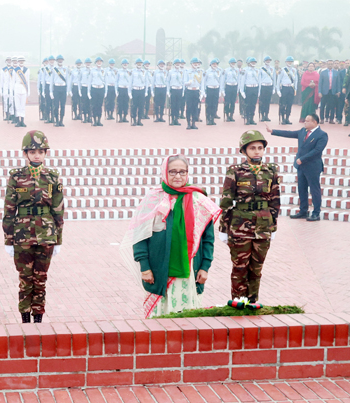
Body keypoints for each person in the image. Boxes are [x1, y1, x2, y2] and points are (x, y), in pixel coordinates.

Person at [120, 154, 220, 318]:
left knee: (188, 320)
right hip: (159, 270)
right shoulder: (153, 199)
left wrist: (205, 266)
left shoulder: (199, 200)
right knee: (160, 320)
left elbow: (208, 239)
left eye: (182, 171)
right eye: (172, 171)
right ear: (164, 172)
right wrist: (144, 267)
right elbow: (139, 236)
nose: (178, 176)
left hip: (189, 272)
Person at [3, 130, 63, 323]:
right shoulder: (16, 176)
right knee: (25, 279)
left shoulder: (52, 177)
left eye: (41, 151)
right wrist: (8, 240)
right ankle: (25, 318)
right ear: (25, 153)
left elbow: (58, 210)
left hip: (46, 235)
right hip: (22, 235)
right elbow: (9, 209)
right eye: (32, 151)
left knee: (41, 279)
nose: (37, 155)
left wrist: (59, 240)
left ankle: (38, 317)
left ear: (46, 153)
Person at [218, 130, 280, 305]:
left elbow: (275, 200)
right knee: (239, 268)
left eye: (260, 148)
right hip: (239, 226)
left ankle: (252, 302)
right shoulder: (235, 171)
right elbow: (226, 202)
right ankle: (238, 303)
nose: (257, 151)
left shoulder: (271, 171)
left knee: (256, 269)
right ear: (244, 151)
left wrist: (273, 227)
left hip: (263, 226)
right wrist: (224, 229)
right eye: (252, 148)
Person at [266, 113, 327, 221]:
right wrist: (273, 131)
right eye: (305, 120)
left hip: (312, 167)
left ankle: (316, 213)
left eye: (307, 121)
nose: (305, 122)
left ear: (315, 122)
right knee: (301, 189)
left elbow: (317, 151)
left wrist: (303, 158)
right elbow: (289, 133)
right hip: (301, 166)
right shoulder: (303, 131)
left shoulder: (322, 135)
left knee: (314, 189)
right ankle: (303, 211)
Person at [276, 56, 299, 125]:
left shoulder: (294, 70)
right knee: (283, 104)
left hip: (291, 88)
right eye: (288, 61)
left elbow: (296, 80)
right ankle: (283, 118)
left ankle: (287, 118)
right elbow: (278, 80)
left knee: (289, 104)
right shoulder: (282, 70)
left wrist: (295, 89)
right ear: (286, 62)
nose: (290, 63)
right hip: (284, 88)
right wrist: (278, 90)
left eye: (291, 61)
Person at [318, 59, 341, 124]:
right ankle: (322, 118)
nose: (330, 65)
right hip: (324, 91)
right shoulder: (323, 72)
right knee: (322, 106)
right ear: (327, 64)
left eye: (331, 64)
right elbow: (320, 83)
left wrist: (339, 91)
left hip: (333, 91)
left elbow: (338, 83)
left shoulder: (336, 73)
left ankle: (331, 119)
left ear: (333, 64)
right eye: (329, 64)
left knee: (332, 106)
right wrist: (319, 92)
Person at [183, 58, 203, 130]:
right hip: (189, 91)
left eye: (197, 63)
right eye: (194, 63)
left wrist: (202, 92)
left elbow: (202, 83)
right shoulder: (187, 72)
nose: (196, 64)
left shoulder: (200, 72)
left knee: (195, 108)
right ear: (191, 64)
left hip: (196, 91)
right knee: (189, 108)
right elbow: (184, 82)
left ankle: (194, 123)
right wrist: (188, 83)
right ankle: (188, 123)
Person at [239, 57, 260, 125]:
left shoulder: (257, 70)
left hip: (255, 88)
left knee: (253, 104)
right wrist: (242, 91)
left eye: (254, 62)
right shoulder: (245, 70)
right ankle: (247, 118)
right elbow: (242, 81)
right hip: (248, 88)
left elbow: (259, 81)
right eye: (252, 62)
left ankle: (252, 119)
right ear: (249, 63)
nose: (253, 63)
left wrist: (259, 91)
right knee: (247, 104)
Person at [12, 56, 31, 128]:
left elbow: (27, 81)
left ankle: (22, 120)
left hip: (24, 88)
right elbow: (13, 81)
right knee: (17, 105)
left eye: (22, 61)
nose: (21, 62)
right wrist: (12, 91)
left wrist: (28, 90)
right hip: (17, 87)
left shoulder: (27, 70)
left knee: (23, 105)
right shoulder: (15, 70)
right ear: (18, 62)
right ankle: (17, 121)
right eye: (20, 61)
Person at [88, 56, 107, 126]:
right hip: (94, 89)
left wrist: (106, 91)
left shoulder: (104, 71)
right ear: (96, 63)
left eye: (100, 61)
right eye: (98, 61)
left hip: (101, 89)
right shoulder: (92, 71)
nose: (99, 63)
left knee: (99, 105)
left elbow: (106, 81)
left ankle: (99, 120)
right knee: (94, 105)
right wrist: (88, 92)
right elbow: (89, 81)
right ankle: (94, 120)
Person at [130, 58, 147, 126]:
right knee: (134, 106)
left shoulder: (144, 72)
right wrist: (129, 92)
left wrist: (146, 91)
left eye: (140, 63)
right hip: (135, 90)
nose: (139, 64)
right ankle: (134, 120)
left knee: (141, 106)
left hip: (142, 90)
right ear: (136, 64)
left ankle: (139, 120)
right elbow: (130, 82)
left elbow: (146, 82)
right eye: (138, 63)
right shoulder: (133, 71)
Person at [167, 58, 183, 126]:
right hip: (173, 89)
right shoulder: (171, 72)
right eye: (176, 63)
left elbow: (183, 81)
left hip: (179, 89)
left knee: (178, 105)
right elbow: (168, 81)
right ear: (174, 64)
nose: (178, 64)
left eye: (179, 63)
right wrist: (168, 91)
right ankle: (172, 119)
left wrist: (183, 91)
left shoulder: (182, 72)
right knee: (173, 105)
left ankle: (176, 119)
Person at [259, 56, 275, 122]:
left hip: (269, 86)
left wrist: (274, 88)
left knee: (268, 102)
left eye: (269, 60)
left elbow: (274, 79)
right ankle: (262, 115)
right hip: (263, 86)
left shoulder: (272, 69)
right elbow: (259, 79)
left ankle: (266, 115)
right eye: (267, 60)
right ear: (264, 61)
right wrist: (259, 89)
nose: (268, 61)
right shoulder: (261, 69)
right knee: (262, 102)